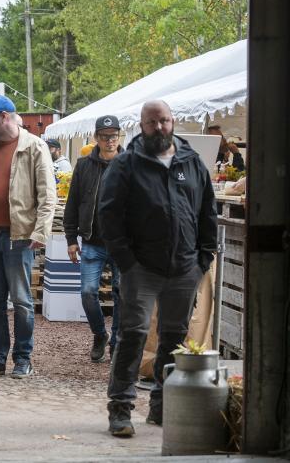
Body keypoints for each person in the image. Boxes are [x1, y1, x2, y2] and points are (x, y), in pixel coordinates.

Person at [98, 100, 216, 437]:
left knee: (174, 339)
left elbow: (207, 210)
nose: (160, 127)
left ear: (173, 121)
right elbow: (109, 215)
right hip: (141, 269)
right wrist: (127, 262)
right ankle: (120, 409)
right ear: (141, 125)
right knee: (133, 335)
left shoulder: (191, 162)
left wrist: (203, 257)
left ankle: (161, 407)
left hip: (184, 268)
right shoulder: (126, 164)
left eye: (164, 121)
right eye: (152, 122)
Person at [0, 95, 56, 379]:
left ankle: (23, 358)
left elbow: (47, 194)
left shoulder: (34, 146)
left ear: (4, 116)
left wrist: (41, 231)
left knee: (21, 300)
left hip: (19, 237)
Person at [64, 115, 124, 364]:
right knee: (88, 293)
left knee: (123, 294)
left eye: (113, 136)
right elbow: (73, 203)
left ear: (120, 136)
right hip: (92, 241)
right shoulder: (84, 165)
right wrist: (70, 238)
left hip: (123, 244)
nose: (109, 141)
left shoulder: (130, 164)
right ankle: (100, 334)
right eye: (104, 136)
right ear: (96, 138)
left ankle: (117, 341)